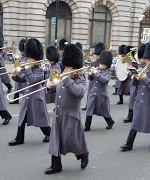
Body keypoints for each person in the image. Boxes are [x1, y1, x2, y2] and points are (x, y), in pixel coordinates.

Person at [44, 44, 89, 174]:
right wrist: (49, 86)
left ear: (75, 67)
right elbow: (55, 91)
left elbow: (79, 93)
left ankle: (83, 154)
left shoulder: (81, 79)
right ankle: (56, 165)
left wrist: (67, 80)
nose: (66, 69)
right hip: (58, 114)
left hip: (71, 116)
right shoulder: (63, 76)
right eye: (66, 66)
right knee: (55, 140)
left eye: (69, 67)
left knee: (72, 142)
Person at [120, 42, 150, 151]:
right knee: (135, 123)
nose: (147, 62)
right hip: (139, 101)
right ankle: (129, 144)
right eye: (146, 59)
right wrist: (135, 76)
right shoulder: (142, 69)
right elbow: (135, 85)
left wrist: (145, 78)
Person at [8, 38, 51, 145]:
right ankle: (19, 138)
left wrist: (27, 69)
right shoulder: (29, 67)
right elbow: (23, 79)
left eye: (31, 58)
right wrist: (15, 76)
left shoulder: (41, 69)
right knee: (22, 118)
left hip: (36, 98)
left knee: (40, 119)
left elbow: (32, 80)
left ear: (37, 59)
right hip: (27, 96)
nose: (28, 60)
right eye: (28, 58)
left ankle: (49, 133)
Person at [84, 50, 114, 131]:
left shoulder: (108, 73)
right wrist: (90, 73)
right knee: (89, 109)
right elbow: (91, 79)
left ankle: (110, 122)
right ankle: (87, 126)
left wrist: (96, 73)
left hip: (102, 95)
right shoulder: (98, 70)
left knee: (104, 111)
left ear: (107, 65)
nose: (100, 65)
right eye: (100, 63)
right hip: (93, 93)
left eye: (102, 64)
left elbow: (104, 80)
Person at [123, 43, 147, 123]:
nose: (140, 60)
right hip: (135, 85)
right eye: (139, 58)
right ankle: (130, 115)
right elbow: (132, 74)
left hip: (142, 86)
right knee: (132, 99)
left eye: (141, 58)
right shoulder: (136, 64)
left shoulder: (146, 66)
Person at [82, 42, 105, 111]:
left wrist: (95, 62)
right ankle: (88, 105)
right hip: (93, 79)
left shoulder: (103, 60)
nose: (97, 56)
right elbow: (90, 69)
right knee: (90, 92)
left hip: (99, 78)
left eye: (98, 55)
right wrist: (92, 63)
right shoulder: (94, 59)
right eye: (96, 55)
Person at [9, 39, 28, 104]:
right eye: (21, 51)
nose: (22, 52)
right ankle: (15, 99)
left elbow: (25, 62)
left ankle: (25, 99)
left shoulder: (28, 56)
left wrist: (19, 59)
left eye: (23, 51)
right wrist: (15, 59)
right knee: (17, 86)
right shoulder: (21, 55)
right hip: (19, 72)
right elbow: (17, 63)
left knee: (24, 86)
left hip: (25, 72)